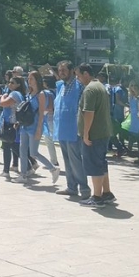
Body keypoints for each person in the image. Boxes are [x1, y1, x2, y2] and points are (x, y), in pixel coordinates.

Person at [76, 64, 116, 208]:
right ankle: (107, 193)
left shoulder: (90, 89)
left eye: (79, 76)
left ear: (86, 74)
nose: (78, 79)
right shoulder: (100, 86)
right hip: (103, 133)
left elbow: (89, 113)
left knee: (94, 165)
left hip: (94, 135)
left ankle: (97, 197)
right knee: (101, 163)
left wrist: (86, 134)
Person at [53, 60, 90, 199]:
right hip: (62, 128)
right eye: (59, 70)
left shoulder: (79, 86)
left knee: (76, 161)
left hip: (74, 129)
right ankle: (71, 187)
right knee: (67, 160)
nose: (61, 72)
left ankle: (85, 190)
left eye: (64, 70)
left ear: (72, 71)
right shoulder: (61, 86)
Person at [20, 71, 60, 184]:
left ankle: (52, 168)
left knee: (34, 152)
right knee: (22, 150)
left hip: (34, 126)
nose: (29, 81)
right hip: (25, 125)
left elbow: (42, 113)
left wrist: (39, 129)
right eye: (28, 78)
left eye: (31, 78)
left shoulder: (41, 94)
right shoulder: (29, 93)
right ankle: (23, 174)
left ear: (37, 80)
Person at [0, 75, 25, 179]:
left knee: (11, 147)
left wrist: (2, 96)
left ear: (18, 85)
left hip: (11, 124)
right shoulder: (19, 94)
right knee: (10, 147)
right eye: (9, 82)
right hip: (12, 123)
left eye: (12, 83)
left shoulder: (15, 94)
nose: (9, 84)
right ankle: (7, 170)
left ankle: (28, 166)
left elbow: (3, 103)